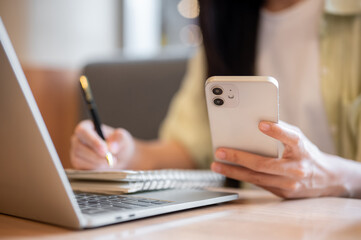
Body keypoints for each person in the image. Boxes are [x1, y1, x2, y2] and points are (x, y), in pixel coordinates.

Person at [70, 0, 361, 199]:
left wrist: (339, 178)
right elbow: (188, 147)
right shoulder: (224, 25)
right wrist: (124, 153)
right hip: (252, 223)